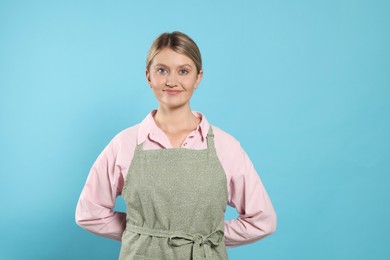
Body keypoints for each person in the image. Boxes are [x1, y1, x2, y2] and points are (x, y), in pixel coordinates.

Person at [75, 31, 277, 260]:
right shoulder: (124, 144)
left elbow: (263, 220)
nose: (172, 81)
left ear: (198, 77)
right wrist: (140, 233)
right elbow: (89, 213)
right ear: (148, 76)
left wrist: (209, 237)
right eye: (162, 70)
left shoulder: (225, 146)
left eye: (183, 71)